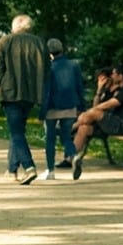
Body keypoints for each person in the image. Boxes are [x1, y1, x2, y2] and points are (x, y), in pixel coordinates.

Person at [0, 14, 48, 184]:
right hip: (31, 92)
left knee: (16, 132)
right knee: (17, 130)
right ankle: (11, 169)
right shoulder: (39, 43)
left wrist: (1, 83)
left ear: (14, 26)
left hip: (11, 92)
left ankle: (29, 166)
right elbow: (46, 69)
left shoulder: (5, 41)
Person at [70, 64, 123, 180]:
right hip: (110, 124)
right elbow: (97, 107)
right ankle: (72, 158)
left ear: (121, 76)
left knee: (94, 113)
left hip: (120, 125)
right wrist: (99, 91)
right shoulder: (119, 89)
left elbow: (109, 105)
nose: (112, 76)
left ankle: (69, 129)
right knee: (84, 128)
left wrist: (91, 111)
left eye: (114, 74)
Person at [40, 38, 84, 179]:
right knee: (66, 136)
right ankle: (73, 155)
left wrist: (42, 110)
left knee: (50, 139)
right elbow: (79, 87)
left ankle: (50, 170)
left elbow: (46, 90)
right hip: (70, 105)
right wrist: (81, 106)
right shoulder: (74, 65)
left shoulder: (49, 67)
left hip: (52, 106)